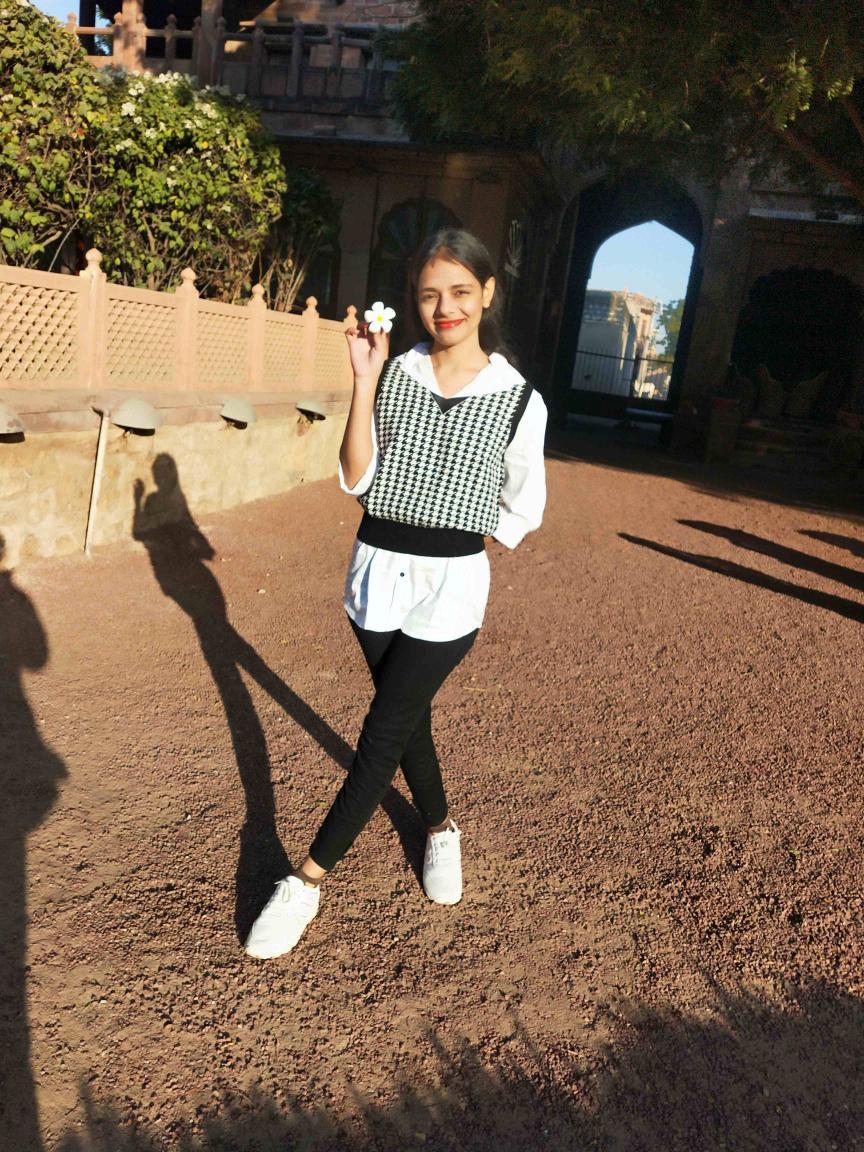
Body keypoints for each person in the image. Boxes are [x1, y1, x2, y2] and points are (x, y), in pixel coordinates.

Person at [244, 228, 547, 959]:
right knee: (405, 720)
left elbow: (523, 505)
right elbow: (356, 477)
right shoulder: (394, 372)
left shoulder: (519, 399)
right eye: (430, 294)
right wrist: (364, 379)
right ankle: (440, 828)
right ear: (414, 300)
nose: (446, 308)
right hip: (375, 571)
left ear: (488, 293)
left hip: (451, 588)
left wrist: (457, 526)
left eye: (461, 292)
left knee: (382, 734)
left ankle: (306, 881)